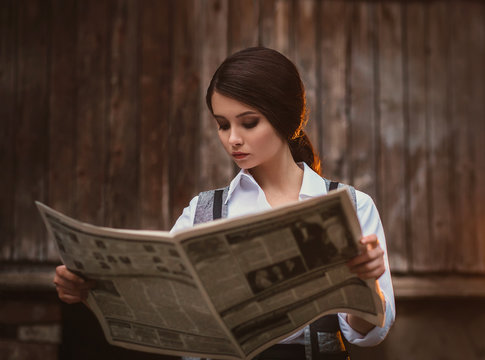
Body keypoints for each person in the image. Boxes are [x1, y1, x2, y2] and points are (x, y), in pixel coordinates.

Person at [54, 47, 395, 359]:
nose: (233, 139)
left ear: (286, 119)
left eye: (248, 123)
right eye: (222, 125)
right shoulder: (202, 213)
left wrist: (365, 282)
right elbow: (157, 302)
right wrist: (88, 290)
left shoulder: (351, 205)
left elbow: (369, 334)